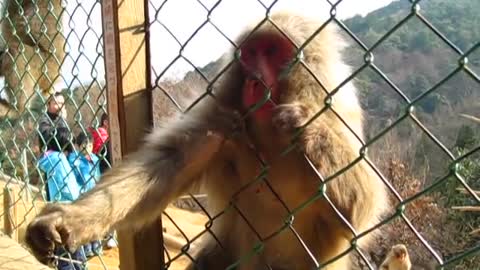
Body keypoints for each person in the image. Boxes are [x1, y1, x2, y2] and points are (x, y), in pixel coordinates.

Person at [37, 127, 87, 270]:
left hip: (57, 207)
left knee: (64, 250)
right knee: (74, 250)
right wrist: (80, 196)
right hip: (68, 208)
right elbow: (69, 187)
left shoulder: (50, 159)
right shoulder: (59, 159)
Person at [68, 132, 103, 257]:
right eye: (84, 145)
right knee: (84, 221)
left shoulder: (95, 159)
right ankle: (87, 246)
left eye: (90, 145)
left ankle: (96, 244)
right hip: (81, 193)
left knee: (96, 219)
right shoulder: (74, 158)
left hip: (94, 192)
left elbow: (98, 175)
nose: (87, 148)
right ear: (78, 146)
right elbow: (73, 176)